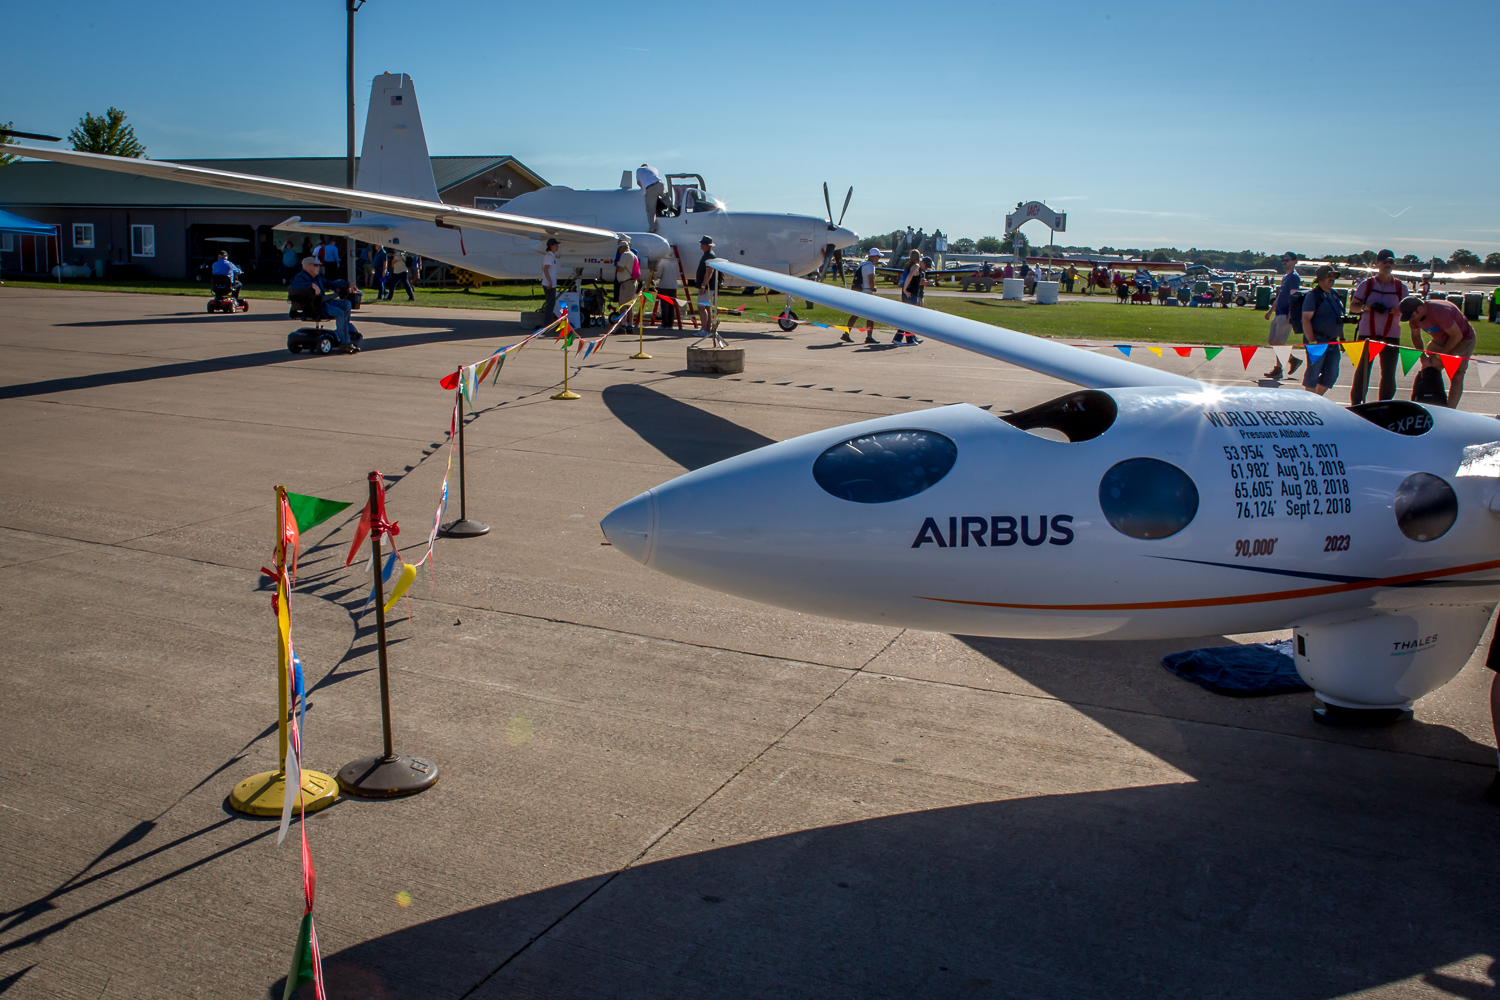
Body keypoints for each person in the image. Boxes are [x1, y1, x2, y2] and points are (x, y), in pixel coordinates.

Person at [1348, 249, 1408, 404]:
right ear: (1377, 264)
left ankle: (1384, 406)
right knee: (1362, 372)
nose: (1388, 265)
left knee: (1388, 373)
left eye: (1391, 262)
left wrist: (1400, 310)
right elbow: (1352, 307)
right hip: (1367, 333)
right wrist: (1364, 308)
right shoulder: (1366, 285)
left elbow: (1408, 312)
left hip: (1391, 334)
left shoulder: (1401, 287)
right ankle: (1356, 406)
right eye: (1384, 262)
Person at [1401, 293, 1475, 408]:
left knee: (1457, 374)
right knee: (1428, 368)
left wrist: (1440, 356)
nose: (1411, 320)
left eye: (1411, 316)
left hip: (1463, 340)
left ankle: (1450, 409)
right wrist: (1422, 356)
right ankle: (1429, 403)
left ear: (1419, 309)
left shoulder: (1440, 311)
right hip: (1440, 339)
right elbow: (1416, 337)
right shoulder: (1414, 317)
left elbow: (1456, 336)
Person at [288, 257, 357, 352]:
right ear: (307, 266)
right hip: (315, 307)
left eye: (318, 265)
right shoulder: (299, 278)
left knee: (347, 304)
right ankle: (345, 342)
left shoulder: (318, 278)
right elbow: (293, 287)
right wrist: (310, 285)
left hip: (323, 302)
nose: (318, 267)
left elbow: (330, 284)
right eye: (315, 265)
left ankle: (344, 330)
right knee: (340, 313)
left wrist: (348, 284)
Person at [1299, 264, 1345, 396]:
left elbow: (1339, 318)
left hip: (1333, 340)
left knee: (1332, 374)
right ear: (1320, 279)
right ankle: (1310, 400)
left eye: (1334, 276)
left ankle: (1317, 398)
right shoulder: (1313, 296)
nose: (1332, 278)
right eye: (1329, 276)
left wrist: (1341, 337)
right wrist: (1312, 340)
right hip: (1318, 339)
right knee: (1313, 372)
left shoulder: (1335, 294)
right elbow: (1306, 320)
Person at [1264, 252, 1304, 380]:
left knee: (1279, 342)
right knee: (1272, 340)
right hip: (1278, 312)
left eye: (1287, 260)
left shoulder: (1294, 277)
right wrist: (1271, 310)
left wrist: (1291, 315)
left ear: (1294, 261)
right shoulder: (1286, 277)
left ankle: (1279, 368)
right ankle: (1291, 360)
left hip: (1286, 314)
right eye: (1283, 260)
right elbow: (1281, 296)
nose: (1284, 262)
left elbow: (1294, 298)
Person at [843, 247, 881, 344]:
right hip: (867, 291)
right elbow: (870, 280)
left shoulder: (862, 264)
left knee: (856, 313)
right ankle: (869, 336)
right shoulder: (870, 266)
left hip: (859, 291)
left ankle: (846, 333)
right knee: (871, 315)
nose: (878, 259)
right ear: (873, 256)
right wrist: (873, 288)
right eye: (878, 257)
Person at [894, 252, 926, 346]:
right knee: (908, 318)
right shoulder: (915, 266)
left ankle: (909, 339)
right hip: (911, 294)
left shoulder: (909, 266)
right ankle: (897, 338)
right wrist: (905, 289)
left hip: (907, 293)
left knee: (909, 317)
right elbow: (910, 276)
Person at [614, 237, 639, 331]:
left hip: (626, 283)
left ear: (621, 248)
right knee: (630, 305)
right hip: (632, 282)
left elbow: (621, 269)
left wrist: (618, 265)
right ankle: (630, 325)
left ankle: (623, 325)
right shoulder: (633, 255)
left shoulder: (625, 255)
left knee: (623, 305)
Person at [695, 236, 719, 330]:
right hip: (708, 286)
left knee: (702, 307)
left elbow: (709, 272)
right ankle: (706, 328)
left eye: (702, 243)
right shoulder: (708, 254)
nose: (701, 245)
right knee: (707, 307)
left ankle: (704, 328)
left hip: (707, 286)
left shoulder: (709, 256)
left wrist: (703, 286)